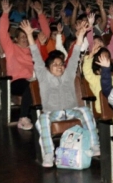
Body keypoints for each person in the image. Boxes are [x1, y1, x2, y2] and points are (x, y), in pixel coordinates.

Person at [20, 19, 99, 166]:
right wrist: (30, 35)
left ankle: (95, 146)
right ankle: (49, 155)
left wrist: (81, 35)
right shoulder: (44, 77)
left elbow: (75, 54)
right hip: (53, 113)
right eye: (55, 64)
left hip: (71, 110)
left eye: (61, 64)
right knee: (42, 119)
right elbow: (36, 56)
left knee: (86, 111)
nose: (59, 66)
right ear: (48, 68)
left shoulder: (68, 75)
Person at [0, 0, 50, 130]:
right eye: (21, 36)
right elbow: (2, 33)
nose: (24, 38)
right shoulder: (11, 48)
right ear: (15, 38)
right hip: (17, 81)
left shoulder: (33, 47)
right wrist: (5, 14)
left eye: (26, 36)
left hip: (34, 80)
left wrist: (40, 14)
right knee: (31, 85)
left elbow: (46, 34)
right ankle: (23, 118)